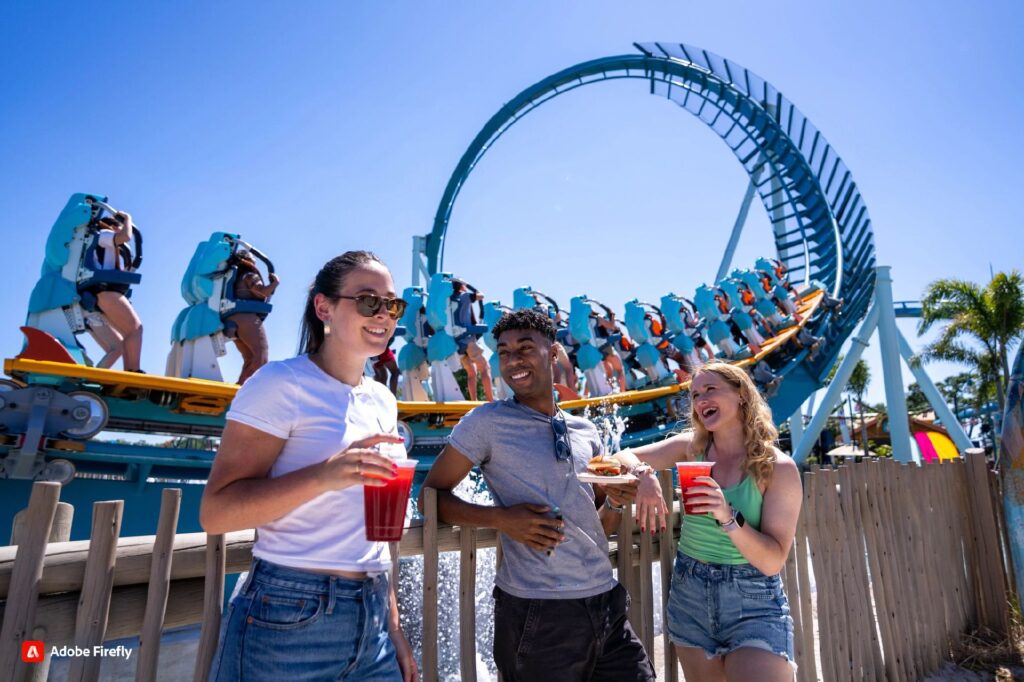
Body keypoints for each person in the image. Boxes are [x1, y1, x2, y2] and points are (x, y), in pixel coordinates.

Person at [201, 251, 418, 682]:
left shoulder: (382, 400)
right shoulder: (280, 383)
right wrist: (324, 476)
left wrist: (393, 625)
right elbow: (217, 512)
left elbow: (372, 538)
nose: (384, 315)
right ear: (324, 308)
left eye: (391, 304)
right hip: (288, 614)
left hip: (372, 616)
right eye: (368, 301)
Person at [420, 309, 656, 682]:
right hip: (538, 614)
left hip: (605, 603)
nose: (513, 359)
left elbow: (599, 525)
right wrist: (501, 519)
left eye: (525, 348)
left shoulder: (585, 430)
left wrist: (614, 500)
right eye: (504, 351)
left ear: (553, 353)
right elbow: (430, 495)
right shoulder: (486, 423)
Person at [616, 361, 802, 682]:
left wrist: (727, 516)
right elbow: (620, 456)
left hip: (752, 600)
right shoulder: (692, 449)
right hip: (691, 595)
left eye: (710, 390)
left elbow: (773, 561)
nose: (701, 400)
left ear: (741, 394)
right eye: (695, 395)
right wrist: (643, 475)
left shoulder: (777, 468)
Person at [85, 212, 143, 372]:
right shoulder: (103, 234)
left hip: (102, 294)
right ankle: (133, 372)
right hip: (106, 291)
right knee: (135, 329)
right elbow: (126, 236)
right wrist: (128, 219)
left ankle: (94, 378)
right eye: (120, 227)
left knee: (119, 346)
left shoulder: (108, 246)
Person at [225, 253, 280, 384]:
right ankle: (241, 393)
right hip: (247, 319)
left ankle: (238, 389)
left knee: (250, 358)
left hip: (233, 318)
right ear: (249, 260)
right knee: (261, 357)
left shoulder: (235, 277)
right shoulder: (250, 275)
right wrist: (275, 283)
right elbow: (262, 291)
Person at [451, 281, 494, 401]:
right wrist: (468, 285)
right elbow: (481, 295)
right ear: (461, 286)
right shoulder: (464, 296)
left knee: (472, 372)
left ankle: (473, 401)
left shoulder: (449, 300)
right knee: (485, 368)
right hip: (468, 339)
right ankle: (491, 400)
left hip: (457, 342)